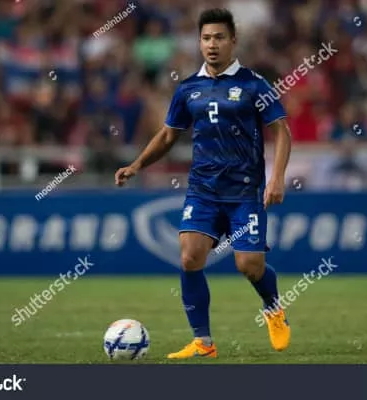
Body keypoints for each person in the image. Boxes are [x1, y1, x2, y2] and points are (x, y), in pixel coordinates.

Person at [115, 8, 292, 359]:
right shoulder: (188, 89)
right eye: (206, 38)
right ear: (199, 42)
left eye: (219, 37)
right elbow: (168, 135)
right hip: (203, 191)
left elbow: (282, 131)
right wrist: (137, 164)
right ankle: (203, 342)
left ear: (233, 41)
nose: (212, 44)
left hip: (244, 192)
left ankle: (273, 308)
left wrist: (277, 177)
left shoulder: (254, 84)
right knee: (190, 257)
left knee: (249, 266)